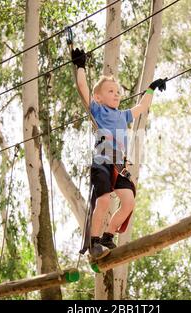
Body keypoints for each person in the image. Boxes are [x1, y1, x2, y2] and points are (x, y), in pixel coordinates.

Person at [71, 48, 166, 259]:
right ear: (99, 97)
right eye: (110, 91)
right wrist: (80, 66)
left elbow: (142, 106)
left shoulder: (123, 115)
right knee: (103, 200)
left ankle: (107, 236)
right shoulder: (98, 110)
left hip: (119, 165)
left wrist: (151, 88)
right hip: (102, 161)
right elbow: (82, 87)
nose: (116, 94)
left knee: (129, 201)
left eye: (117, 92)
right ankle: (94, 240)